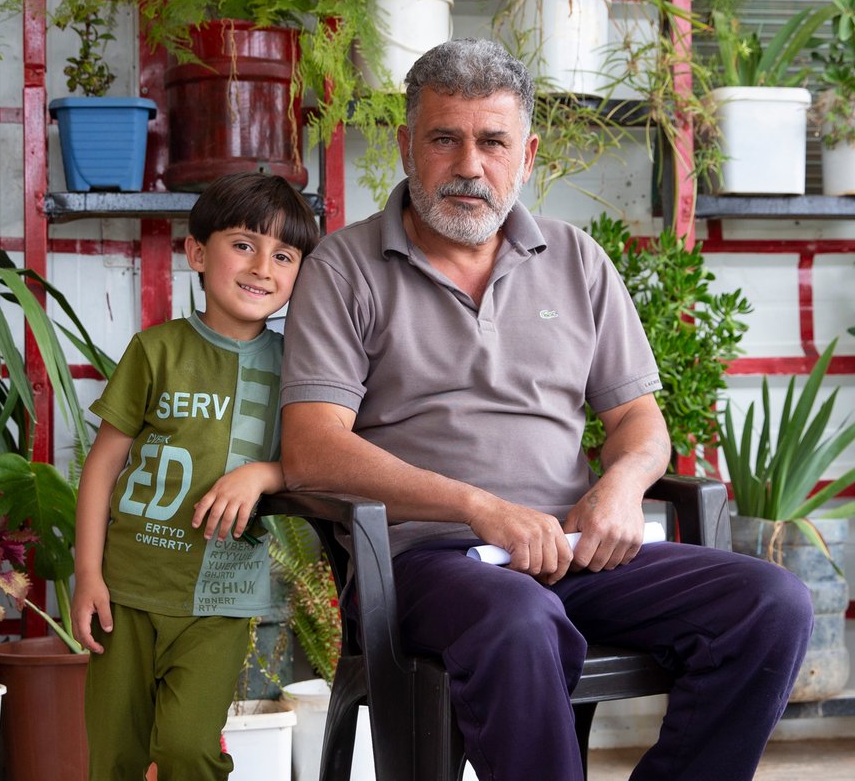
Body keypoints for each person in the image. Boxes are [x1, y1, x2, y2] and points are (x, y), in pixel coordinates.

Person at [279, 39, 812, 781]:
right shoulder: (345, 268)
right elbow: (311, 448)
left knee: (771, 604)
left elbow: (639, 422)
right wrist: (478, 507)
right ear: (406, 145)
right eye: (445, 139)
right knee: (519, 620)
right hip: (431, 564)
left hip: (573, 552)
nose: (470, 165)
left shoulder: (576, 259)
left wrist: (620, 488)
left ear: (526, 154)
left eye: (492, 141)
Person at [73, 171, 320, 780]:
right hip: (126, 588)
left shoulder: (299, 367)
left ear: (298, 274)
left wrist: (263, 473)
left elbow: (320, 463)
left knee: (186, 746)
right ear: (196, 253)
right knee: (116, 756)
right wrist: (86, 573)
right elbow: (103, 463)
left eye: (283, 255)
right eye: (243, 244)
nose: (262, 266)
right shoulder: (155, 350)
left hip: (222, 597)